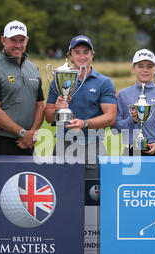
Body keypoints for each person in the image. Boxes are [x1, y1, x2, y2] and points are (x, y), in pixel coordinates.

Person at [44, 35, 117, 178]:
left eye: (86, 52)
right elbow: (48, 117)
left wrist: (84, 124)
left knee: (93, 194)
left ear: (92, 55)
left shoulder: (104, 82)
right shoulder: (59, 79)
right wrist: (58, 109)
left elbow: (111, 117)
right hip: (63, 144)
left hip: (93, 144)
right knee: (61, 193)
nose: (82, 56)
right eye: (77, 52)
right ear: (70, 56)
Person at [0, 20, 45, 155]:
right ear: (3, 40)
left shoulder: (33, 68)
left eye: (22, 40)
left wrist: (32, 132)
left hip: (27, 142)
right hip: (0, 142)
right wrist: (22, 133)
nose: (18, 45)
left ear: (27, 41)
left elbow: (39, 105)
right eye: (13, 40)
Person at [113, 49, 155, 156]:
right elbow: (115, 128)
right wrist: (131, 120)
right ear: (133, 68)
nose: (145, 70)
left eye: (149, 66)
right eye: (140, 66)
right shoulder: (123, 94)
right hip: (130, 151)